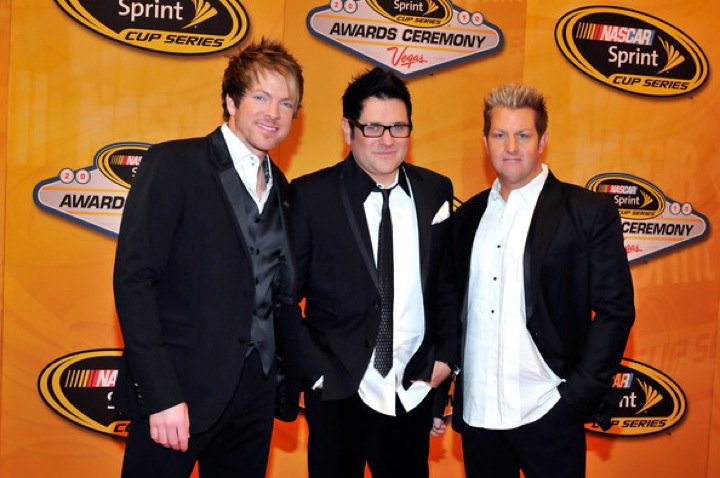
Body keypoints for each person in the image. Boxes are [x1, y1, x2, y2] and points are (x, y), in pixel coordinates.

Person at [112, 38, 304, 478]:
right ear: (231, 101)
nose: (274, 113)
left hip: (255, 395)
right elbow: (134, 281)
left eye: (286, 103)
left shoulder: (284, 189)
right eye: (261, 97)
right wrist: (160, 394)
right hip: (177, 393)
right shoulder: (174, 164)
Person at [452, 83, 635, 478]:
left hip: (549, 411)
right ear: (485, 142)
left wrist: (576, 397)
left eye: (523, 135)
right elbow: (450, 309)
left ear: (543, 141)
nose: (511, 147)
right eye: (500, 135)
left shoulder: (587, 212)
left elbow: (616, 310)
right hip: (479, 417)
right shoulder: (466, 219)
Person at [290, 67, 460, 478]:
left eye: (398, 127)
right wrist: (316, 373)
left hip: (412, 389)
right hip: (338, 390)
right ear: (348, 130)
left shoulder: (435, 191)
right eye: (373, 127)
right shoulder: (312, 195)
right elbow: (283, 296)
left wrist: (446, 360)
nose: (387, 139)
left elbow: (446, 285)